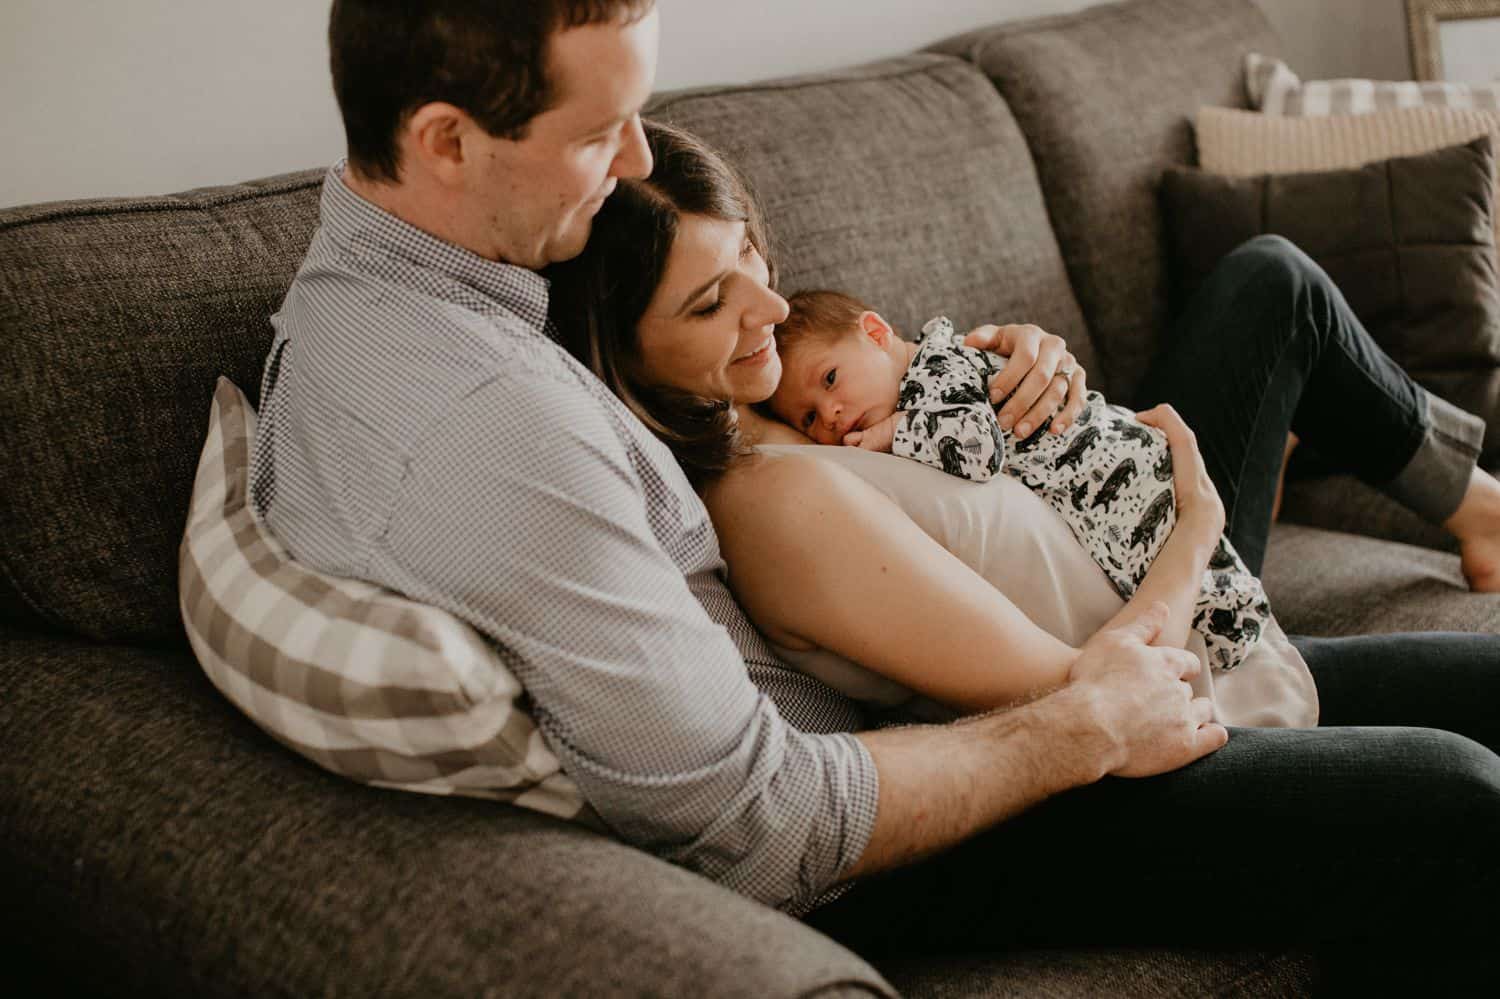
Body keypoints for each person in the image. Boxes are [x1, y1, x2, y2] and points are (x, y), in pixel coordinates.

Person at [251, 1, 1500, 990]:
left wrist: (1007, 371)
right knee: (1448, 801)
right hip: (910, 828)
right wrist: (1082, 722)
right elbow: (757, 819)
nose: (631, 160)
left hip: (991, 671)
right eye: (595, 134)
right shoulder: (483, 418)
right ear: (445, 140)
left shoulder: (425, 306)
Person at [548, 117, 1500, 991]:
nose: (769, 300)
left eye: (751, 251)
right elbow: (1093, 697)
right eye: (714, 299)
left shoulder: (776, 382)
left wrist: (1031, 361)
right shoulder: (768, 499)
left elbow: (942, 409)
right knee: (1458, 795)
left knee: (1272, 282)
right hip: (1113, 683)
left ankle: (1470, 504)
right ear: (622, 355)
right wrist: (1196, 528)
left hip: (1113, 547)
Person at [764, 291, 1270, 672]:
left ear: (876, 333)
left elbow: (980, 448)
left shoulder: (935, 369)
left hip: (1121, 465)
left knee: (1201, 589)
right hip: (1111, 494)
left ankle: (1234, 612)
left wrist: (896, 429)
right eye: (808, 418)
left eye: (830, 379)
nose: (829, 414)